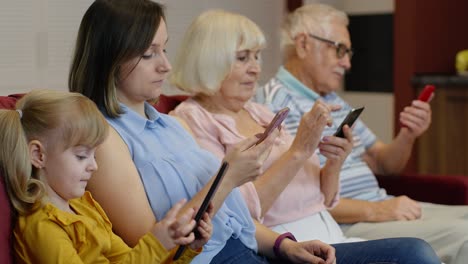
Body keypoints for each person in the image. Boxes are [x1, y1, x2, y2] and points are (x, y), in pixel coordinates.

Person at [68, 1, 343, 263]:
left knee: (388, 252)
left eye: (164, 49)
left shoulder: (171, 126)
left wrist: (284, 245)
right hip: (213, 259)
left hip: (251, 250)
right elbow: (153, 248)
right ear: (110, 58)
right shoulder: (104, 138)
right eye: (148, 54)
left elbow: (233, 220)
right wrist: (227, 178)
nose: (166, 65)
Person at [169, 9, 441, 264]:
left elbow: (322, 197)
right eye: (243, 58)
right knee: (414, 252)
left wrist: (334, 162)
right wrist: (299, 150)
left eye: (257, 57)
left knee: (416, 250)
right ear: (209, 60)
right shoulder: (191, 122)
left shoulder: (260, 112)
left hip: (329, 231)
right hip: (287, 242)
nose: (255, 68)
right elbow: (238, 214)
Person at [254, 3, 468, 264]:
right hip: (346, 222)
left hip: (381, 207)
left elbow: (385, 163)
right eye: (340, 50)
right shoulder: (275, 105)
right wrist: (376, 210)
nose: (347, 62)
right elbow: (294, 200)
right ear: (303, 45)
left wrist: (408, 135)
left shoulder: (332, 99)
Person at [0, 89, 212, 263]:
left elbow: (128, 259)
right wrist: (156, 244)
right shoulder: (42, 227)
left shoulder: (83, 205)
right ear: (38, 154)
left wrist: (186, 248)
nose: (94, 166)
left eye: (94, 155)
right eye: (82, 156)